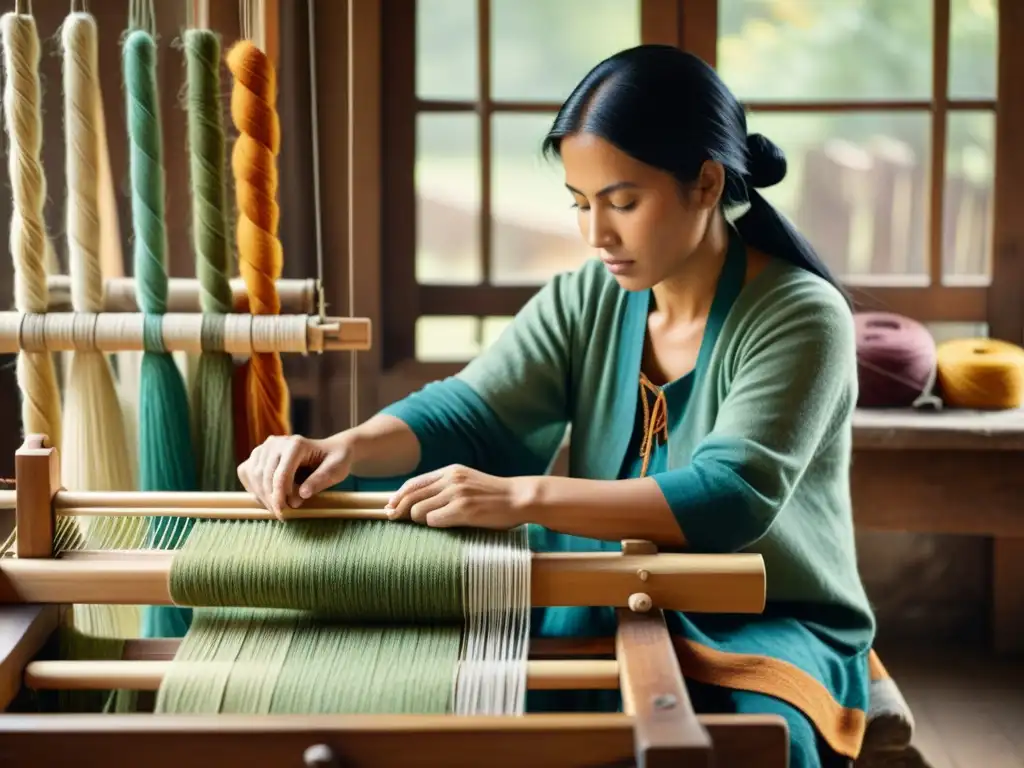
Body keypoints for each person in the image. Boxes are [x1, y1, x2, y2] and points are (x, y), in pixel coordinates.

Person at [237, 44, 873, 768]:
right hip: (601, 588)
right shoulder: (588, 297)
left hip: (762, 617)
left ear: (706, 182)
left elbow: (730, 495)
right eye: (580, 204)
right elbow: (473, 412)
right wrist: (345, 447)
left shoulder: (801, 315)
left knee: (755, 744)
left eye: (623, 202)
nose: (597, 234)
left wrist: (524, 497)